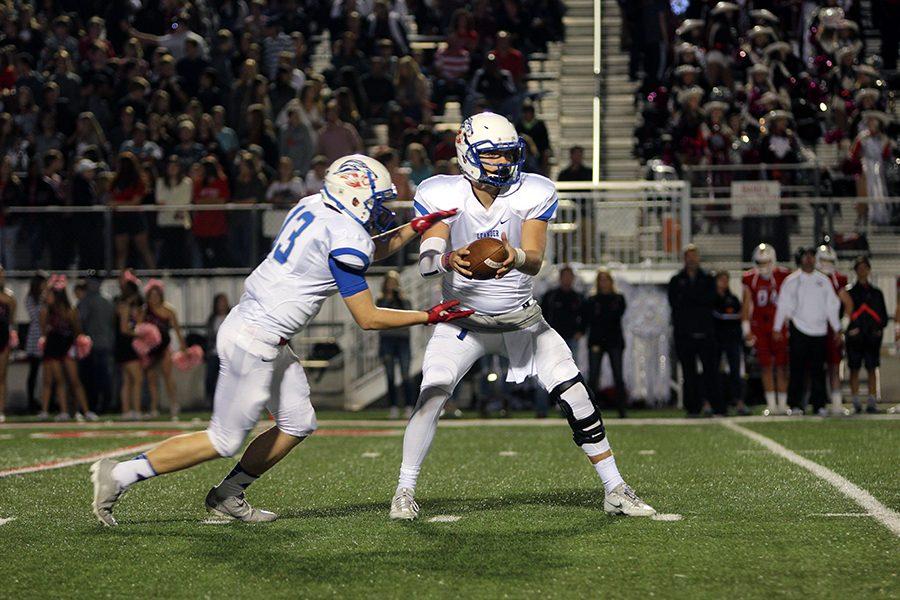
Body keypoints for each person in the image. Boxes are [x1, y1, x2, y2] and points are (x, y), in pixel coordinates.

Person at [90, 155, 467, 526]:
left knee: (298, 422)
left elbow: (362, 250)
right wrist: (429, 316)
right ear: (353, 195)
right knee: (222, 439)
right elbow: (367, 317)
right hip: (255, 338)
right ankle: (121, 474)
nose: (380, 210)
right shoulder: (346, 235)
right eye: (376, 201)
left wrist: (415, 227)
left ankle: (228, 494)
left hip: (260, 329)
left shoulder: (313, 205)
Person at [390, 113, 655, 521]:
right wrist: (446, 258)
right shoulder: (441, 192)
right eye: (491, 154)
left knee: (576, 394)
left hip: (522, 320)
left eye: (507, 153)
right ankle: (404, 491)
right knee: (432, 396)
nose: (502, 162)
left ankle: (615, 487)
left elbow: (534, 260)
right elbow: (427, 261)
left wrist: (513, 254)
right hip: (462, 323)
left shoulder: (532, 190)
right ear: (466, 153)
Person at [773, 248, 842, 416]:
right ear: (800, 259)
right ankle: (795, 404)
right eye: (806, 257)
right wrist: (777, 327)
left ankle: (819, 405)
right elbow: (783, 305)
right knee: (797, 369)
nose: (809, 260)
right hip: (799, 329)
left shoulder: (824, 281)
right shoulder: (791, 281)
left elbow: (832, 306)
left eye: (812, 257)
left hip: (819, 330)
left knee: (818, 370)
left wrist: (838, 328)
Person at [668, 245, 720, 416]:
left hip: (705, 332)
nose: (691, 259)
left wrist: (690, 299)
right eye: (688, 256)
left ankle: (713, 404)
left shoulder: (708, 278)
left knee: (710, 371)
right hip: (685, 334)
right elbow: (675, 303)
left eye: (694, 256)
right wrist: (696, 300)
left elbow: (710, 300)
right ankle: (693, 407)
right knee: (689, 373)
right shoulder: (676, 280)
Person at [741, 243, 791, 415]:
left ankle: (783, 404)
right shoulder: (750, 278)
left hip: (779, 325)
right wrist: (746, 328)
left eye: (766, 262)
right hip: (760, 326)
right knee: (766, 366)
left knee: (782, 365)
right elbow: (746, 305)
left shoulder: (783, 275)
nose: (763, 267)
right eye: (760, 263)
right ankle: (771, 404)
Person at [39, 275, 95, 422]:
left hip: (68, 347)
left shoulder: (70, 311)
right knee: (59, 380)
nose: (46, 296)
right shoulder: (46, 311)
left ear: (57, 295)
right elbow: (43, 330)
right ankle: (63, 411)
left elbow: (77, 331)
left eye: (49, 294)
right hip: (53, 346)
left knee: (75, 380)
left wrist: (78, 345)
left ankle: (86, 411)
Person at [581, 268, 628, 418]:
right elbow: (589, 320)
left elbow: (613, 317)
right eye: (601, 280)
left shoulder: (619, 298)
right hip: (596, 341)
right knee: (593, 376)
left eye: (606, 280)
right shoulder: (591, 300)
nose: (604, 283)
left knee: (618, 376)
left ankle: (622, 409)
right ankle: (591, 411)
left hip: (614, 341)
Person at [845, 256, 887, 414]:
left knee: (871, 368)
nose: (862, 271)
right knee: (854, 369)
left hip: (871, 338)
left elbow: (882, 317)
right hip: (855, 338)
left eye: (865, 268)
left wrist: (877, 330)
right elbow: (844, 315)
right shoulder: (849, 292)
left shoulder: (877, 293)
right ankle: (855, 401)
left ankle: (871, 401)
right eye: (859, 268)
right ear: (855, 271)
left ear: (869, 270)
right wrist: (850, 330)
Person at [815, 245, 854, 413]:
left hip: (832, 329)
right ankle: (814, 403)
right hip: (814, 327)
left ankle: (837, 404)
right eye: (823, 260)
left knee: (834, 367)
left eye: (829, 261)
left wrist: (842, 327)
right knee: (814, 368)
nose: (826, 264)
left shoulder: (838, 280)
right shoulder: (811, 278)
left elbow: (848, 304)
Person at [142, 280, 187, 420]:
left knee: (168, 376)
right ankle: (154, 408)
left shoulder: (168, 310)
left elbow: (177, 330)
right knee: (151, 378)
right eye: (151, 295)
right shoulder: (145, 310)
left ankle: (174, 405)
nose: (153, 298)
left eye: (156, 295)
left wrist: (182, 346)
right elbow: (140, 328)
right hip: (151, 349)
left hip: (165, 347)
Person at [377, 271, 414, 419]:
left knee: (406, 375)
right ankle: (392, 407)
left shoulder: (404, 300)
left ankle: (409, 406)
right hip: (387, 340)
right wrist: (389, 299)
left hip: (403, 340)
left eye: (394, 283)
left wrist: (399, 298)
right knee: (390, 376)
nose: (392, 285)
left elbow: (409, 314)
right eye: (389, 282)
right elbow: (379, 317)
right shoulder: (380, 301)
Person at [110, 152, 156, 270]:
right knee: (121, 250)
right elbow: (110, 198)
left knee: (143, 247)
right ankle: (121, 276)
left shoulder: (138, 181)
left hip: (135, 216)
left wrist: (117, 204)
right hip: (120, 218)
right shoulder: (115, 181)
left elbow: (135, 202)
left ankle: (154, 273)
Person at [77, 275, 115, 415]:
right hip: (105, 343)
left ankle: (94, 405)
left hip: (91, 345)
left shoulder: (87, 301)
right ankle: (104, 404)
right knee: (102, 376)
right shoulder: (108, 300)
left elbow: (80, 320)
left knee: (92, 378)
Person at [713, 271, 748, 415]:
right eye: (721, 280)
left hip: (732, 339)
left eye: (726, 280)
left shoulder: (732, 298)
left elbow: (737, 315)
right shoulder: (711, 298)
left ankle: (739, 402)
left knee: (735, 372)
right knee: (714, 372)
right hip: (716, 340)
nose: (724, 283)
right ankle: (714, 403)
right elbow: (720, 315)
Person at [114, 272, 144, 421]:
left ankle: (126, 411)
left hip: (123, 344)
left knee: (127, 380)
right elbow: (124, 329)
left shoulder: (124, 305)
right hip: (127, 344)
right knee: (137, 379)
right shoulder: (125, 305)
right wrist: (140, 335)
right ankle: (136, 410)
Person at [154, 156, 193, 269]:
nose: (172, 169)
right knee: (166, 250)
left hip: (180, 222)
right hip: (164, 222)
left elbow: (185, 200)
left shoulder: (187, 182)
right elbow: (160, 201)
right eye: (170, 166)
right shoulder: (160, 182)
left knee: (180, 250)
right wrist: (174, 206)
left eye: (175, 166)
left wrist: (170, 205)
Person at [27, 272, 47, 416]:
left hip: (45, 336)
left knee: (48, 372)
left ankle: (47, 401)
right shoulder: (31, 298)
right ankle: (31, 401)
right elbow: (38, 316)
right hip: (35, 336)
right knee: (33, 371)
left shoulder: (45, 298)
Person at [205, 293, 230, 407]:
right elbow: (209, 336)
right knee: (210, 378)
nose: (222, 304)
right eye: (220, 302)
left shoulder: (232, 316)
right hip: (215, 353)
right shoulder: (212, 319)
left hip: (230, 354)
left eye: (224, 302)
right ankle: (211, 402)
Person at [0, 267, 14, 422]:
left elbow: (11, 320)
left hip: (3, 337)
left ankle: (1, 409)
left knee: (2, 376)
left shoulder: (8, 296)